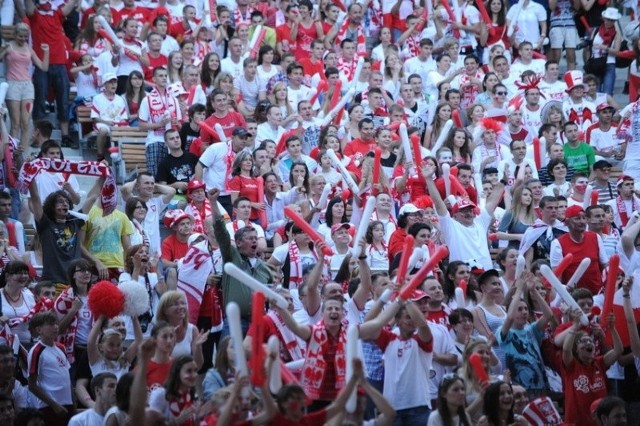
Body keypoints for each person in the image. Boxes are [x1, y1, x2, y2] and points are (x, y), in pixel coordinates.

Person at [27, 311, 74, 426]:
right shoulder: (37, 351)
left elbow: (66, 377)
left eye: (56, 323)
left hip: (67, 404)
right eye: (51, 324)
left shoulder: (61, 347)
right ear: (39, 330)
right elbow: (32, 385)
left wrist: (73, 402)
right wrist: (54, 405)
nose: (56, 327)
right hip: (49, 406)